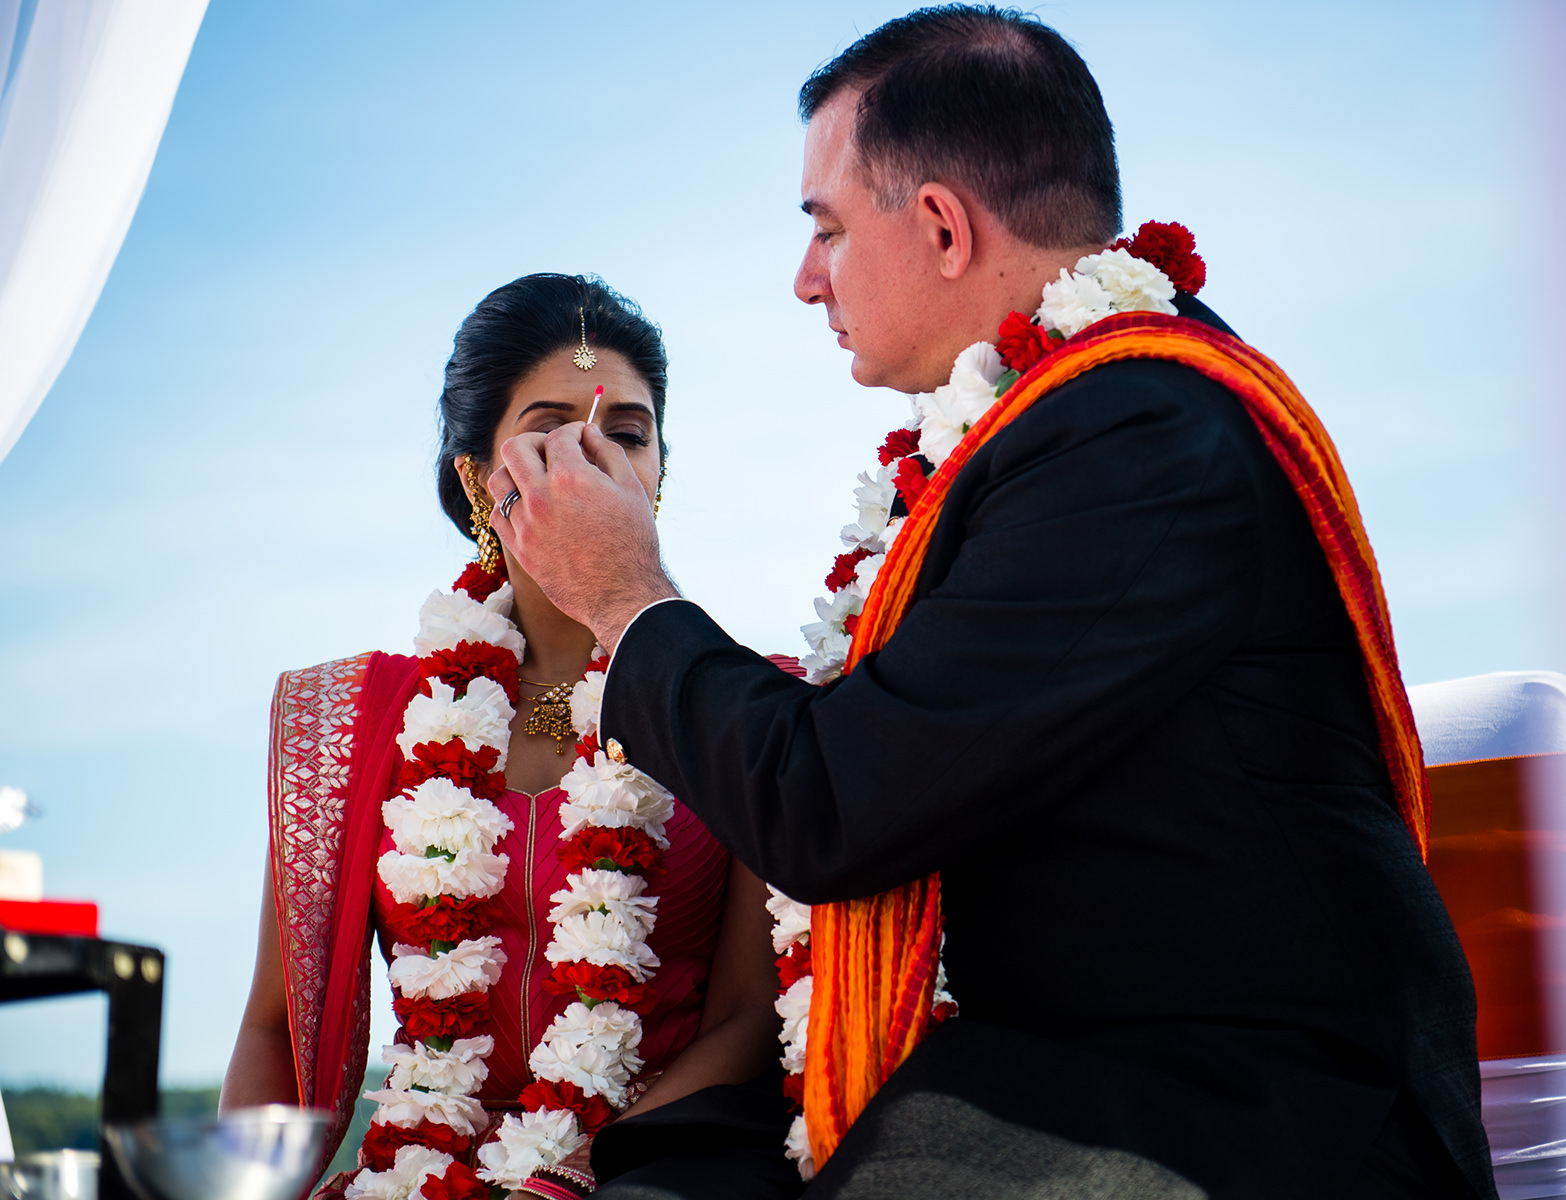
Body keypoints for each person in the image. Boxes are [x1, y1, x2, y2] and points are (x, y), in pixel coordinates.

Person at [488, 9, 1500, 1200]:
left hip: (1242, 1116)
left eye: (824, 229)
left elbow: (838, 806)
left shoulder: (1138, 436)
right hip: (1064, 1079)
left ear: (940, 227)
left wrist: (627, 595)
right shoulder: (1065, 424)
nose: (805, 278)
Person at [221, 274, 801, 1199]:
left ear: (658, 473)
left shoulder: (742, 706)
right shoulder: (359, 721)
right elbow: (271, 1032)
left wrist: (561, 1178)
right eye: (548, 425)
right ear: (476, 479)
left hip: (658, 1172)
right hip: (418, 1174)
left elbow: (745, 1020)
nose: (589, 453)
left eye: (625, 431)